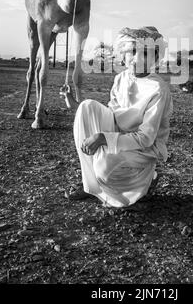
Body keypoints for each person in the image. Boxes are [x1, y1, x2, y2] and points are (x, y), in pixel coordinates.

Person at [60, 26, 173, 208]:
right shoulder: (121, 78)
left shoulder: (158, 89)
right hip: (119, 136)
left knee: (104, 168)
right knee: (87, 107)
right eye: (132, 51)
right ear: (124, 54)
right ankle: (90, 186)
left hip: (144, 148)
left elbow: (146, 138)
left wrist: (104, 138)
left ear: (156, 58)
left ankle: (147, 181)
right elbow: (111, 115)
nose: (137, 59)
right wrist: (73, 103)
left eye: (146, 53)